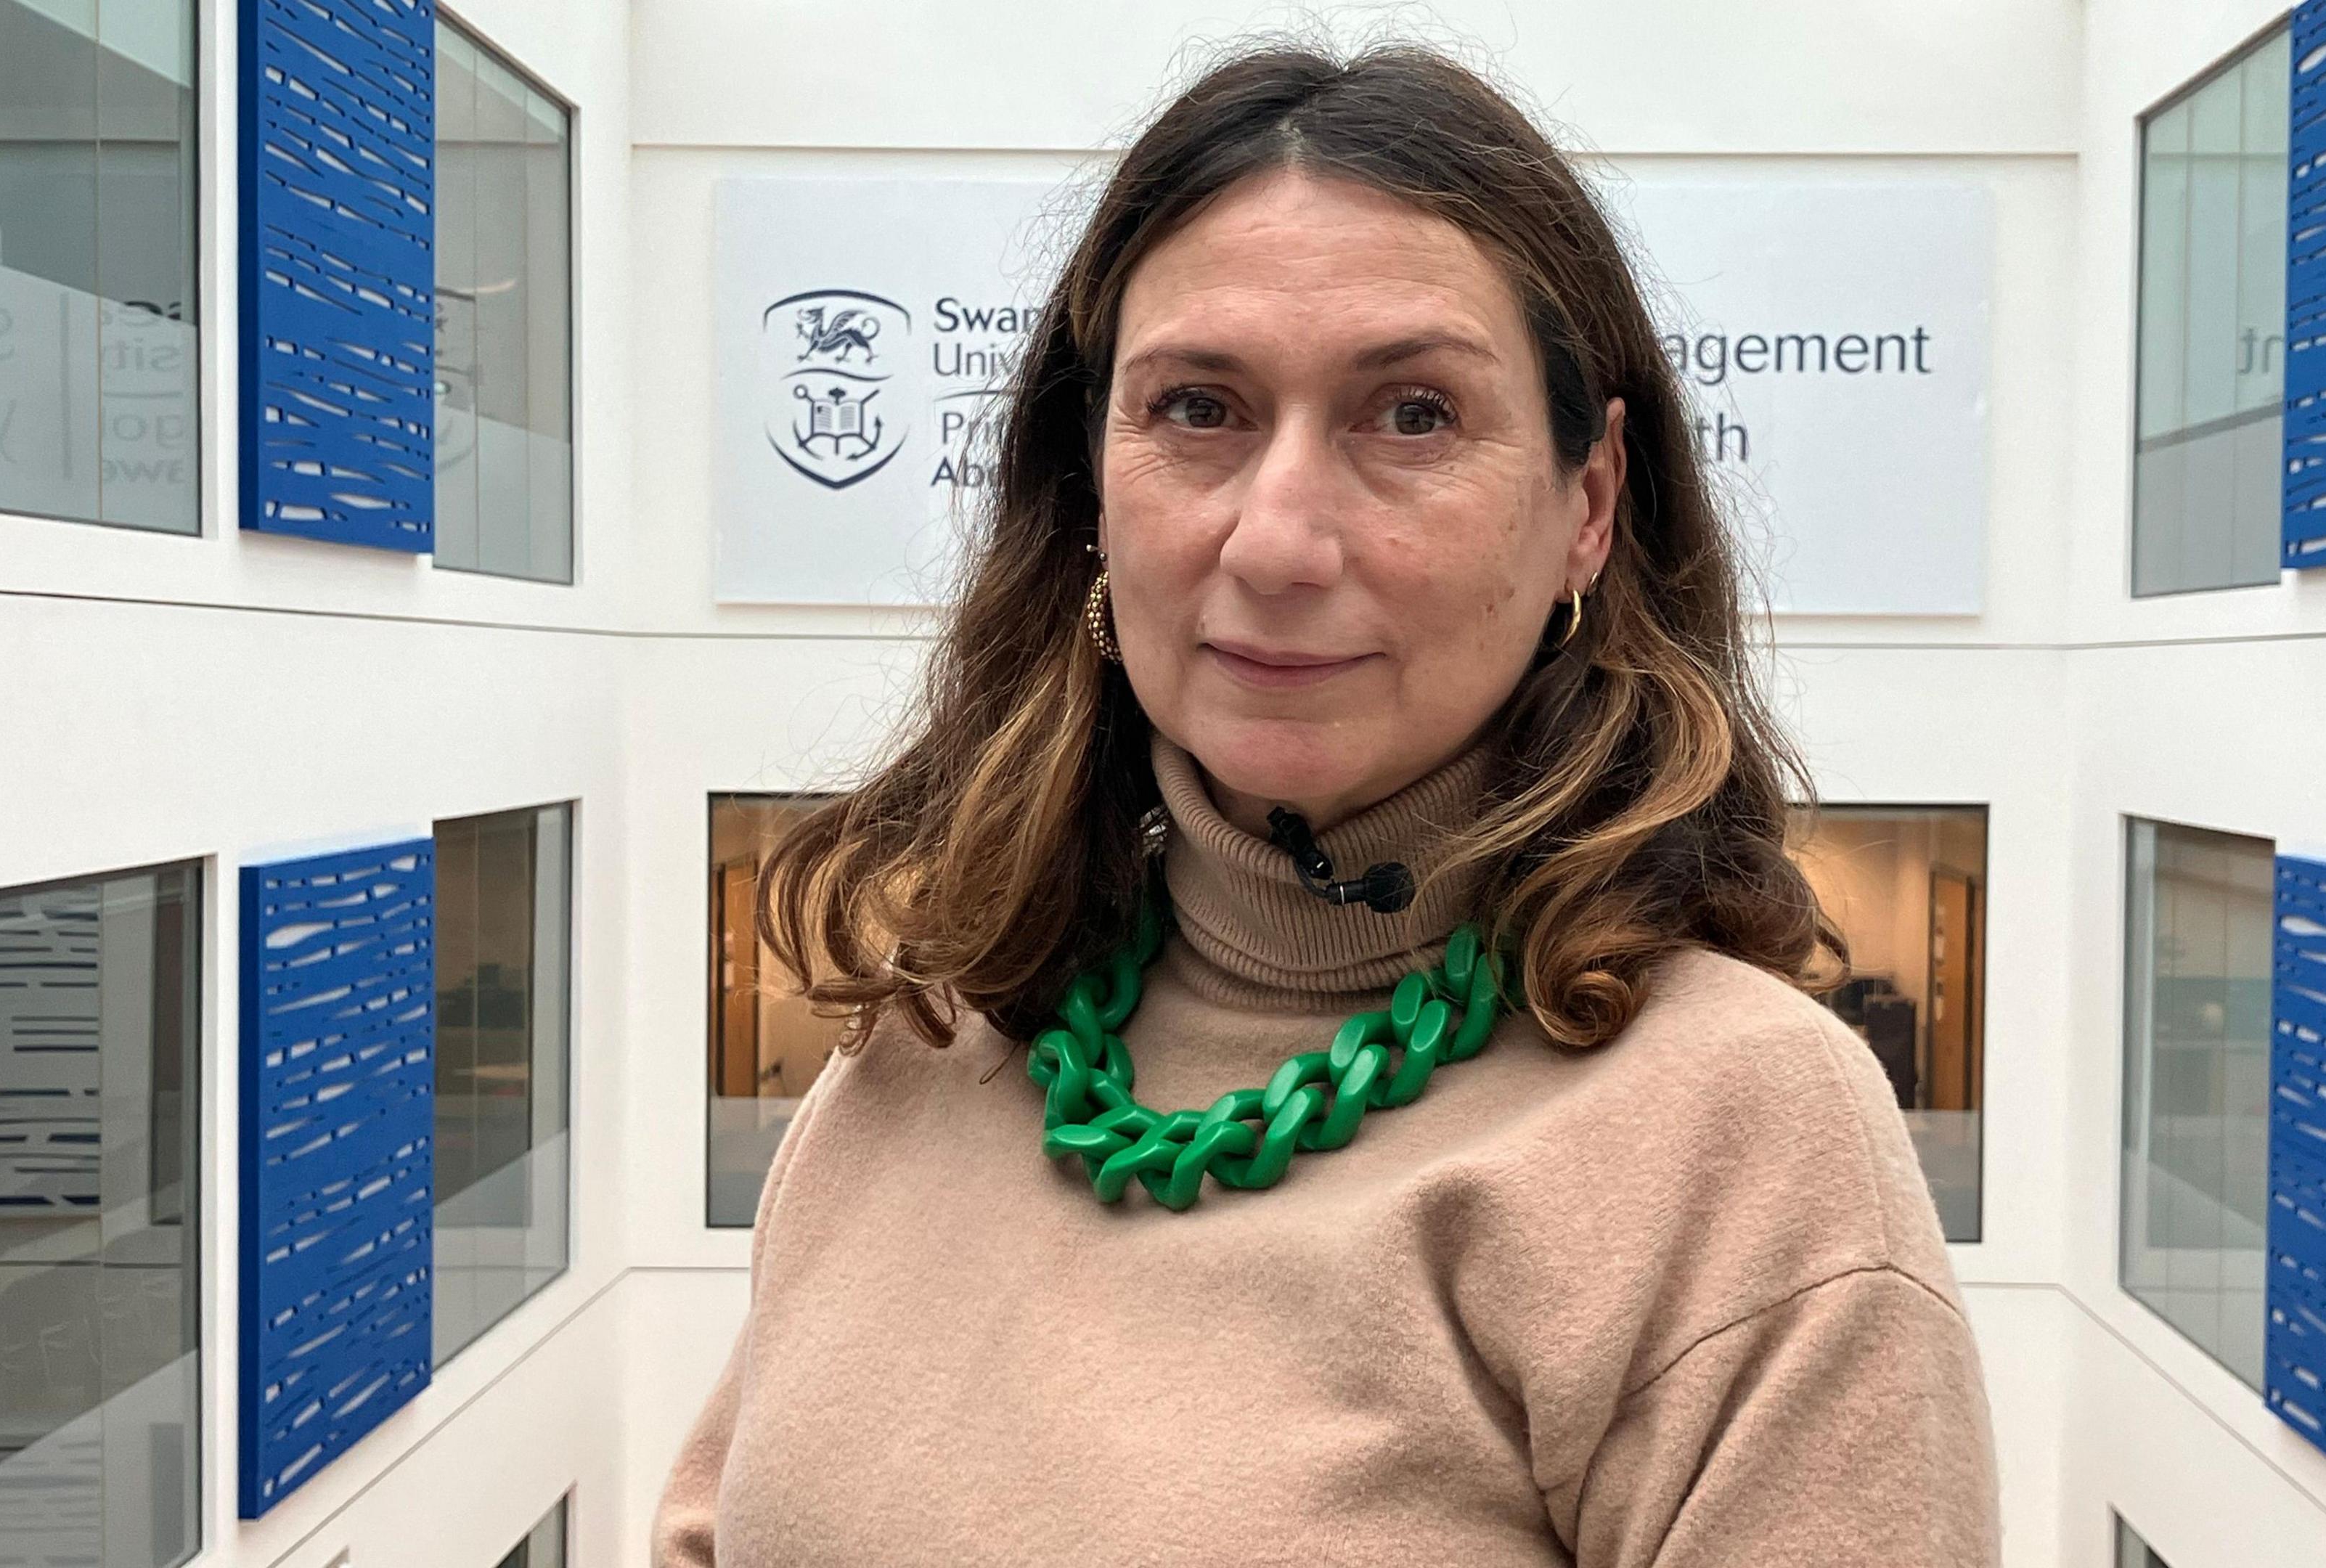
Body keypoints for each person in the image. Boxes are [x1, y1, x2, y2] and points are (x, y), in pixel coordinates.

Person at [657, 42, 1999, 1568]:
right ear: (1091, 488)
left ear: (1591, 505)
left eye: (1414, 415)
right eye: (1200, 408)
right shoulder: (924, 1050)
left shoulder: (1744, 1151)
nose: (1279, 541)